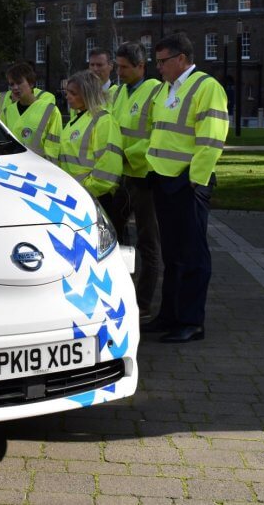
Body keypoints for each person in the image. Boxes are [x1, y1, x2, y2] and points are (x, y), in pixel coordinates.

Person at [145, 33, 229, 343]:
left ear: (182, 58)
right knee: (173, 255)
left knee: (193, 255)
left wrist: (195, 180)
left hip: (186, 184)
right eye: (157, 62)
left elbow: (211, 139)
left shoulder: (206, 87)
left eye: (163, 61)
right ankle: (170, 315)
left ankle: (192, 322)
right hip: (164, 180)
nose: (159, 68)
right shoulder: (167, 89)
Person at [111, 42, 164, 321]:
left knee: (148, 241)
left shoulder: (155, 91)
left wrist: (126, 154)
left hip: (143, 175)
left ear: (141, 66)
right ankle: (122, 292)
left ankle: (143, 304)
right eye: (117, 66)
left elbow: (157, 134)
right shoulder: (119, 92)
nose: (119, 72)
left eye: (124, 67)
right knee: (115, 233)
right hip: (122, 174)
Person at [56, 70, 123, 204]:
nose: (68, 97)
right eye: (67, 92)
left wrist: (87, 188)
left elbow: (108, 168)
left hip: (94, 196)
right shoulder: (74, 121)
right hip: (76, 192)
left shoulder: (103, 121)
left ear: (87, 93)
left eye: (73, 93)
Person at [0, 63, 60, 160]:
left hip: (39, 168)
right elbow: (1, 144)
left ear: (31, 83)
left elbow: (53, 149)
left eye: (19, 83)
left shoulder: (50, 111)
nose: (15, 87)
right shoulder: (7, 112)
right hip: (13, 167)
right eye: (12, 84)